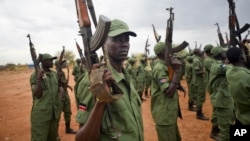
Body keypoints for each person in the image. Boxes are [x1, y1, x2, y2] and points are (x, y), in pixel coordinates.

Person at [75, 18, 144, 141]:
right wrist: (101, 97)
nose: (124, 44)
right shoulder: (93, 80)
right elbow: (83, 138)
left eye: (126, 39)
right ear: (104, 44)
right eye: (117, 39)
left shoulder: (126, 77)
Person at [151, 42, 182, 141]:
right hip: (164, 116)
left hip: (169, 114)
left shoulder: (166, 66)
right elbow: (169, 93)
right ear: (162, 53)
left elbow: (169, 83)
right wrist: (177, 71)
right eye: (168, 51)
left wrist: (178, 85)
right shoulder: (160, 69)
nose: (171, 53)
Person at [29, 53, 60, 141]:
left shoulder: (54, 74)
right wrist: (39, 78)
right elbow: (37, 94)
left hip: (53, 114)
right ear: (43, 62)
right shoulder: (35, 75)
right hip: (41, 116)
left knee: (53, 138)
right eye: (49, 60)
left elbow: (56, 88)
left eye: (52, 60)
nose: (52, 62)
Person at [208, 47, 234, 141]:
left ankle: (214, 132)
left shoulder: (219, 64)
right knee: (227, 126)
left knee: (217, 116)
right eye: (224, 52)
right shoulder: (216, 65)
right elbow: (231, 68)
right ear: (220, 54)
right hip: (222, 98)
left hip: (221, 97)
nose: (225, 53)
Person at [226, 47, 250, 125]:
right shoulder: (247, 76)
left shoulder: (229, 72)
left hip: (240, 116)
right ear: (241, 57)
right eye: (244, 54)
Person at [55, 60, 77, 135]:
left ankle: (68, 129)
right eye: (61, 64)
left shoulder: (62, 73)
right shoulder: (56, 74)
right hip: (60, 95)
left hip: (65, 94)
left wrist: (68, 86)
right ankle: (55, 133)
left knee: (68, 112)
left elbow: (63, 82)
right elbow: (56, 84)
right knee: (57, 114)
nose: (63, 64)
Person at [191, 48, 209, 120]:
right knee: (200, 97)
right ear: (198, 53)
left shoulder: (197, 59)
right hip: (199, 82)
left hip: (200, 81)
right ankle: (199, 114)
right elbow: (197, 72)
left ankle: (199, 112)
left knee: (200, 96)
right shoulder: (196, 61)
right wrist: (205, 71)